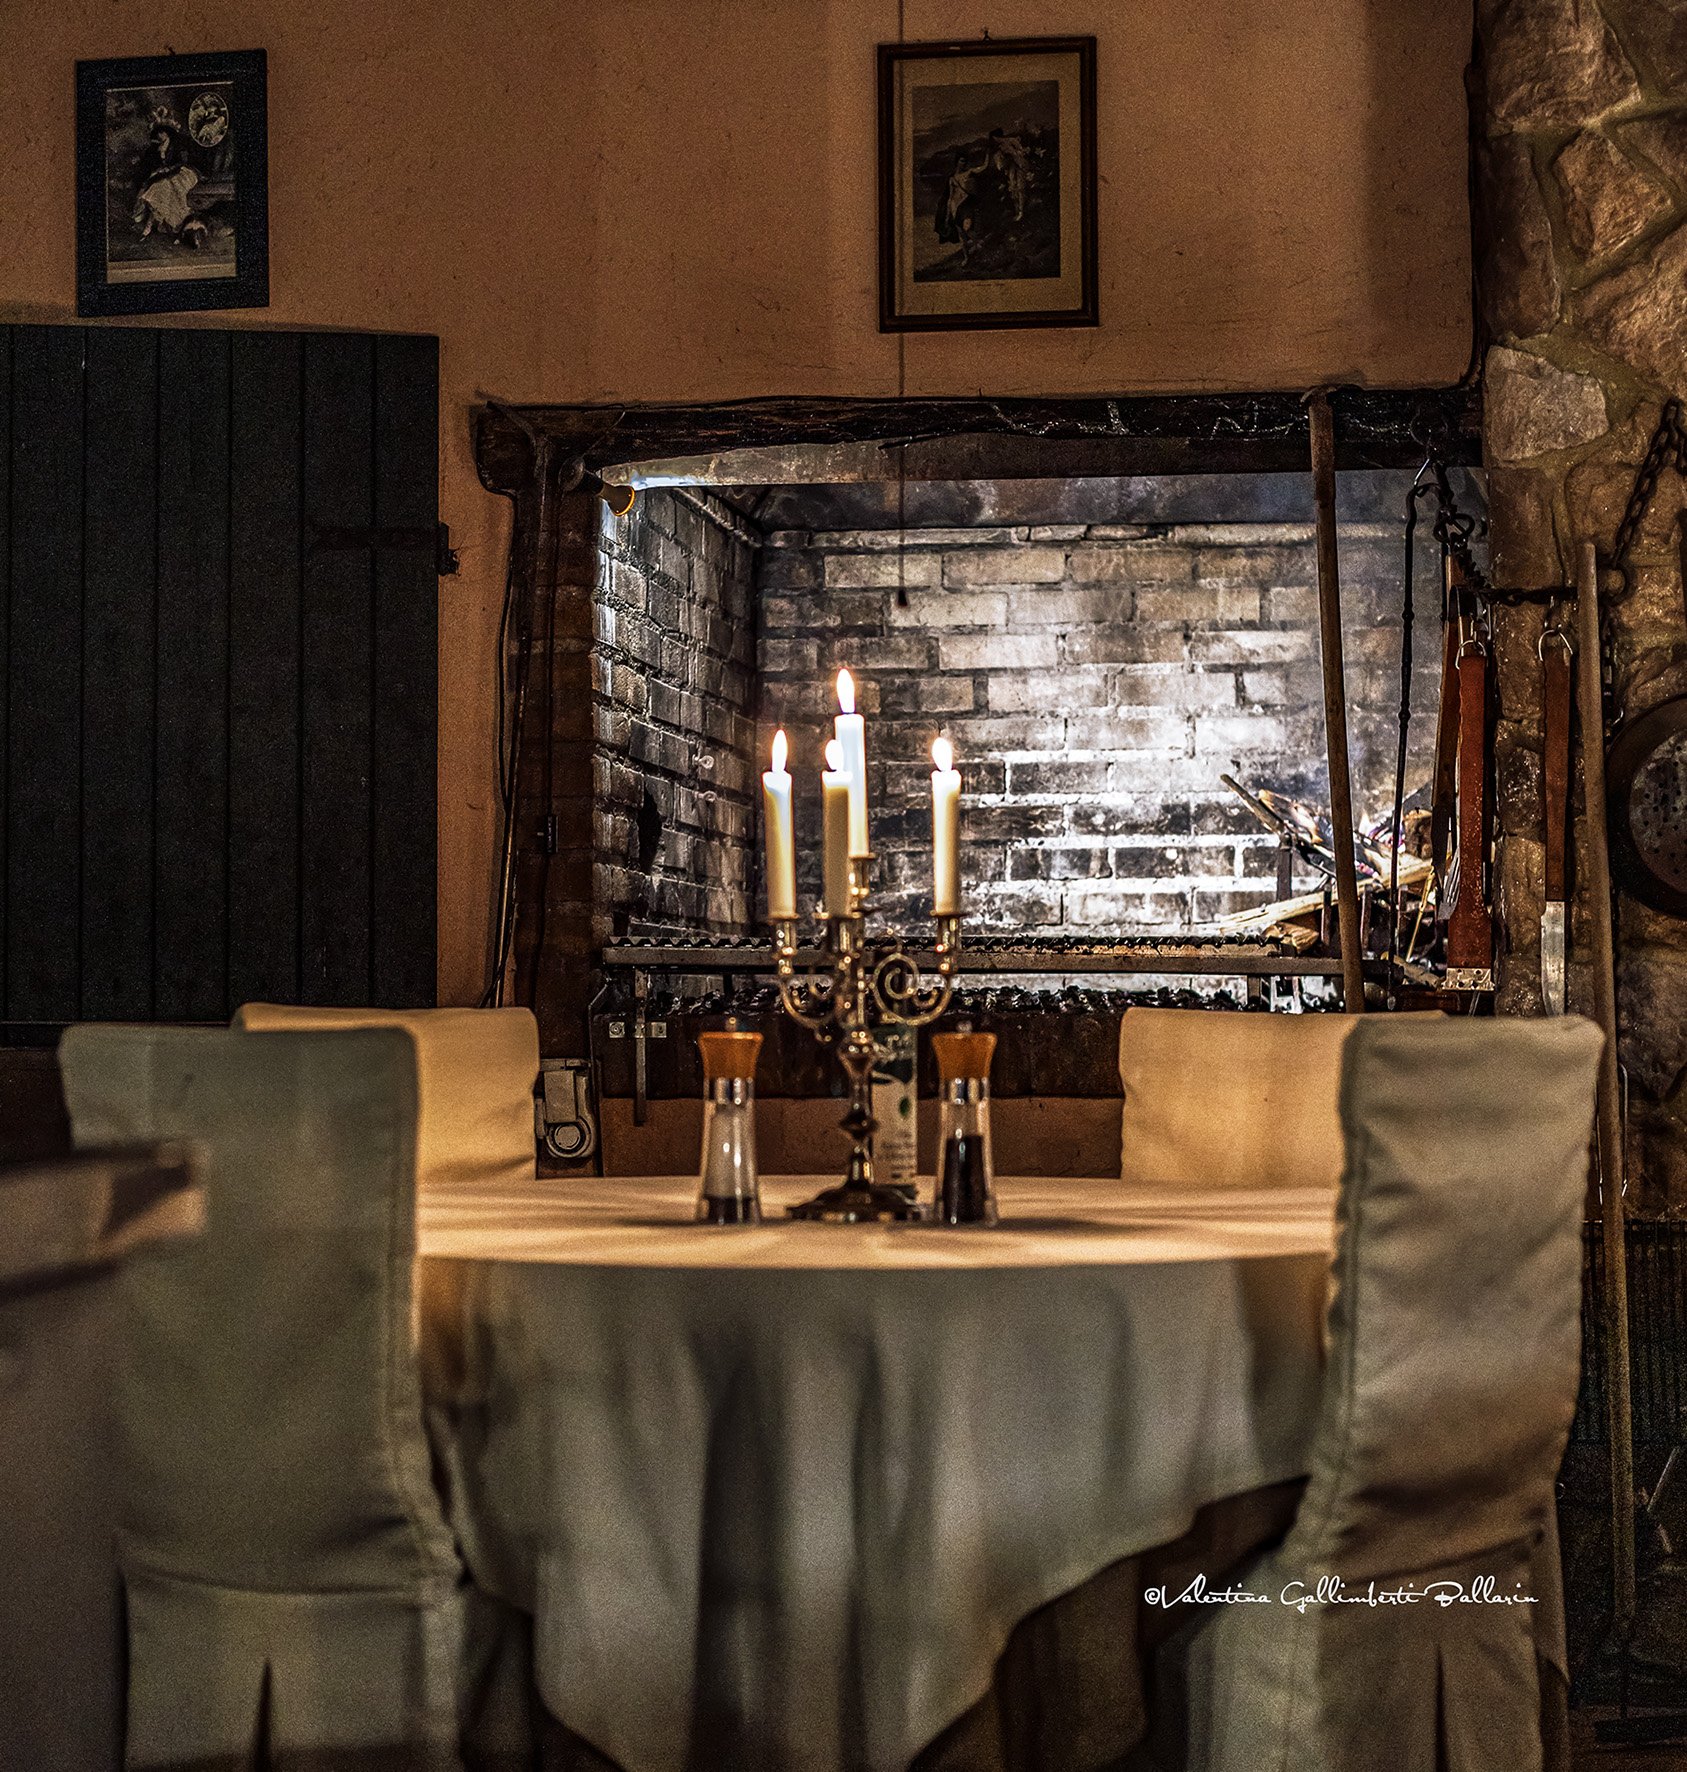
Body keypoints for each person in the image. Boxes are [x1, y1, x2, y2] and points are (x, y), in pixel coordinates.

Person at [131, 116, 207, 248]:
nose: (159, 135)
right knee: (160, 187)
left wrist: (166, 170)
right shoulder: (157, 148)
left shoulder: (177, 145)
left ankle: (153, 226)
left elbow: (182, 162)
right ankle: (152, 225)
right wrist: (159, 169)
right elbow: (153, 165)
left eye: (161, 132)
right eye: (158, 133)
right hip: (168, 174)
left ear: (167, 133)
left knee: (171, 185)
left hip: (185, 172)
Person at [935, 146, 985, 264]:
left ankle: (979, 246)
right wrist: (948, 215)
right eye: (962, 161)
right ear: (957, 162)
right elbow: (950, 197)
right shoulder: (952, 179)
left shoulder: (968, 172)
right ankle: (966, 258)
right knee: (962, 236)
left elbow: (983, 168)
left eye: (965, 161)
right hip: (955, 209)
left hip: (965, 206)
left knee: (967, 228)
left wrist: (988, 155)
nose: (964, 163)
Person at [988, 127, 1031, 222]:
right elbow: (1000, 166)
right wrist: (1004, 157)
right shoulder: (998, 149)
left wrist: (1012, 153)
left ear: (996, 137)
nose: (994, 141)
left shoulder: (1012, 141)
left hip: (1020, 167)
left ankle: (1021, 212)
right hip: (1011, 169)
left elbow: (1022, 152)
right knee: (1013, 190)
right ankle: (1017, 211)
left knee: (1020, 188)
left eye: (994, 138)